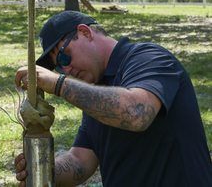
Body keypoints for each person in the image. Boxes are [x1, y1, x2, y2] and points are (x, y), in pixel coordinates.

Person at [14, 10, 212, 187]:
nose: (66, 70)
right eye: (59, 67)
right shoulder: (95, 93)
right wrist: (43, 169)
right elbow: (81, 161)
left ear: (85, 32)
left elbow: (137, 113)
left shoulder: (149, 58)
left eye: (65, 57)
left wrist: (58, 83)